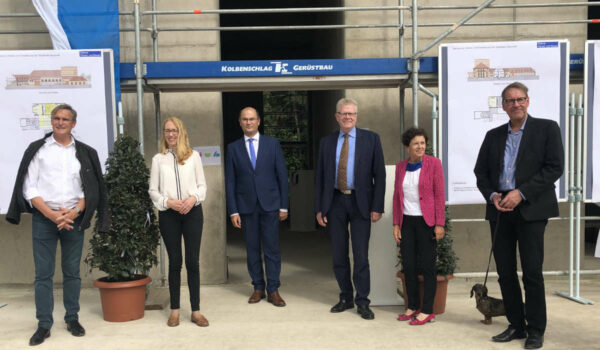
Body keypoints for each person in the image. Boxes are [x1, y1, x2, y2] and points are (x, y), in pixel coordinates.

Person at [6, 104, 109, 346]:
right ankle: (44, 324)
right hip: (45, 219)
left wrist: (73, 213)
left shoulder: (85, 152)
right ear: (51, 121)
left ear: (74, 124)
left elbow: (91, 189)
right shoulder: (38, 150)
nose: (60, 122)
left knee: (72, 273)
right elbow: (29, 188)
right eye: (56, 118)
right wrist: (53, 216)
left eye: (65, 119)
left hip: (73, 220)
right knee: (43, 275)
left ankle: (72, 318)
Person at [474, 82, 564, 349]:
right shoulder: (493, 135)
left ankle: (536, 329)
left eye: (520, 99)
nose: (516, 104)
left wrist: (521, 193)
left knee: (532, 272)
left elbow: (554, 168)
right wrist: (493, 195)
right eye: (510, 100)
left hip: (531, 209)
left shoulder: (547, 129)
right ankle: (516, 324)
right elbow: (481, 173)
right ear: (503, 105)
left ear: (528, 101)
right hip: (500, 210)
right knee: (505, 272)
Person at [314, 97, 385, 320]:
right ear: (337, 117)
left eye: (351, 114)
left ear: (356, 116)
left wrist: (377, 206)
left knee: (361, 255)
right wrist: (319, 208)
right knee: (339, 254)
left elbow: (379, 176)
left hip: (361, 203)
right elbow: (321, 178)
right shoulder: (326, 142)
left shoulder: (371, 139)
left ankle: (363, 301)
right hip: (335, 202)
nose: (348, 117)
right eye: (344, 114)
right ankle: (346, 297)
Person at [225, 107, 289, 307]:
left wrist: (284, 206)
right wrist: (233, 210)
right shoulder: (233, 148)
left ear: (259, 121)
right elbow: (231, 182)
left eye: (252, 119)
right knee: (252, 249)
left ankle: (273, 290)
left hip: (270, 204)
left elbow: (282, 177)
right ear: (240, 122)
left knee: (271, 248)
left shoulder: (273, 144)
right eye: (245, 119)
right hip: (246, 207)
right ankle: (258, 287)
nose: (248, 122)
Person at [149, 117, 208, 327]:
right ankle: (174, 311)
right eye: (167, 131)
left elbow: (202, 186)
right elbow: (153, 191)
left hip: (192, 213)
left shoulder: (194, 157)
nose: (171, 134)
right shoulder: (158, 159)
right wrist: (168, 202)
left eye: (174, 130)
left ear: (181, 132)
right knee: (175, 262)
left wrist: (193, 199)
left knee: (192, 262)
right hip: (169, 214)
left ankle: (196, 311)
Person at [392, 127, 445, 325]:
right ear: (407, 147)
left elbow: (439, 195)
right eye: (416, 143)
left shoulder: (434, 164)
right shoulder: (400, 167)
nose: (421, 146)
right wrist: (396, 224)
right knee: (409, 266)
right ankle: (412, 306)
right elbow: (397, 197)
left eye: (423, 143)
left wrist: (440, 224)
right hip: (407, 221)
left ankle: (428, 309)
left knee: (428, 266)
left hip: (427, 222)